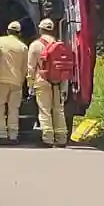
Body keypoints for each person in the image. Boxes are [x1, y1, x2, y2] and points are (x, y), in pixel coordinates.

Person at [28, 19, 70, 147]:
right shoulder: (60, 45)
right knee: (58, 110)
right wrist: (64, 85)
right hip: (57, 81)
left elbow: (31, 67)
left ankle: (48, 139)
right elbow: (63, 66)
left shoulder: (35, 45)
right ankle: (62, 138)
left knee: (44, 110)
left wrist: (30, 84)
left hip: (42, 80)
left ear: (40, 29)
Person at [0, 21, 29, 144]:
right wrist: (22, 81)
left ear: (7, 31)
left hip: (1, 79)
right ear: (19, 33)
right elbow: (25, 68)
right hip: (17, 81)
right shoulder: (23, 47)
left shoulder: (0, 41)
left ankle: (2, 135)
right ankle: (13, 136)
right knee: (14, 109)